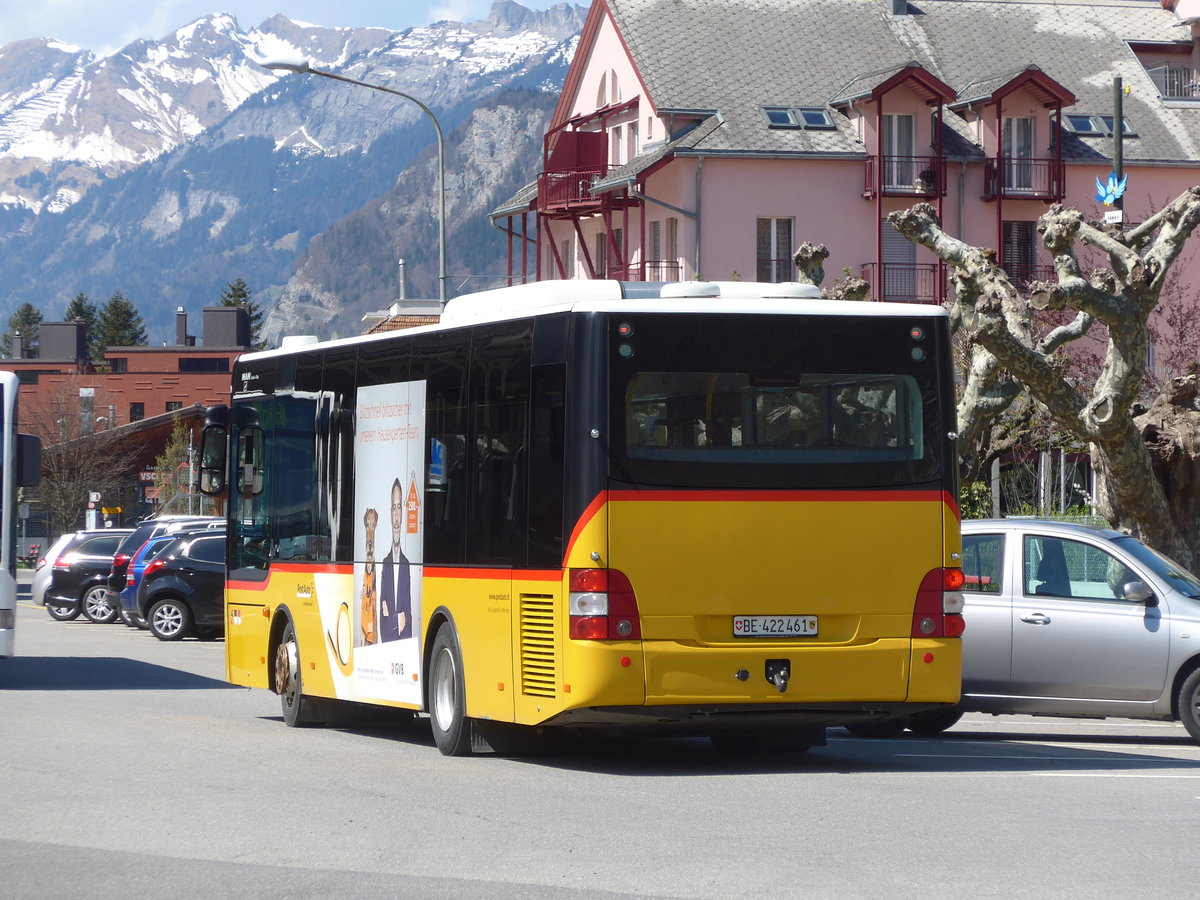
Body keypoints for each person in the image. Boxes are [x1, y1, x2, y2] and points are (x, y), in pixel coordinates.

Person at [379, 478, 412, 641]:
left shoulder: (407, 565)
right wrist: (396, 620)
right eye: (394, 507)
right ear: (390, 514)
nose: (397, 515)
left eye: (400, 507)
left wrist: (390, 618)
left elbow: (409, 623)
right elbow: (382, 626)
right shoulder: (385, 564)